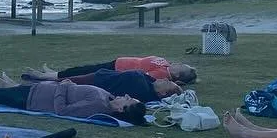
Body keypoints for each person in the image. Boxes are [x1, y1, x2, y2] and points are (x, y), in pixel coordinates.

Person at [0, 78, 149, 125]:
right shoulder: (109, 97)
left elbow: (62, 110)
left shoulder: (98, 105)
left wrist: (62, 85)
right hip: (40, 89)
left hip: (33, 100)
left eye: (128, 100)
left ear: (121, 110)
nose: (126, 95)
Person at [20, 66, 181, 102]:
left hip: (99, 83)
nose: (166, 80)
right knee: (63, 80)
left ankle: (32, 82)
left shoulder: (145, 91)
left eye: (168, 84)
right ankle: (37, 79)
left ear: (163, 93)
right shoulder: (150, 83)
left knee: (60, 84)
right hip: (101, 76)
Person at [26, 56, 197, 85]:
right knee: (82, 69)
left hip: (116, 70)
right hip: (118, 62)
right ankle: (53, 73)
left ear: (177, 74)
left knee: (83, 73)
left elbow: (142, 77)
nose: (179, 63)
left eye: (181, 66)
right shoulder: (165, 65)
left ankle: (46, 77)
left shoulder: (163, 74)